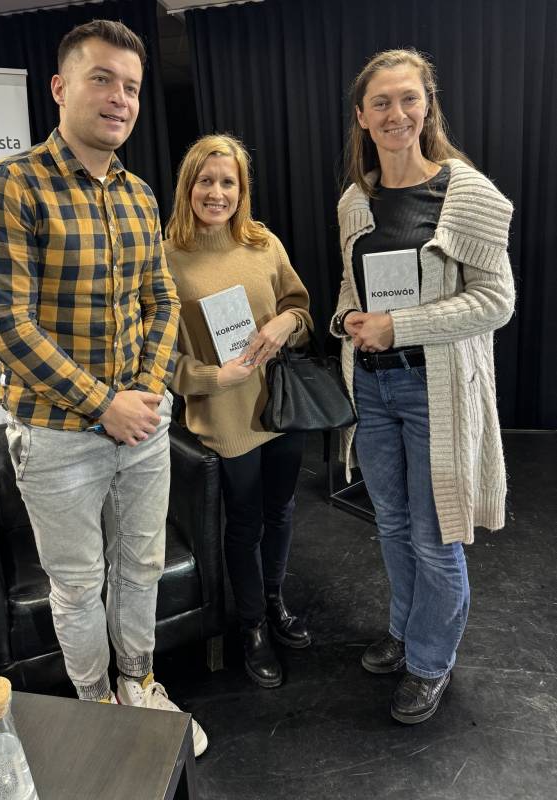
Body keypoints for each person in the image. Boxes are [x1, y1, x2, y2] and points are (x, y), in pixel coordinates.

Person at [0, 20, 208, 756]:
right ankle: (97, 702)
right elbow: (6, 326)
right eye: (102, 79)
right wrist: (105, 404)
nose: (120, 98)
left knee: (140, 568)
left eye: (131, 86)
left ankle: (139, 682)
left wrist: (146, 392)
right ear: (61, 88)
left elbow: (161, 300)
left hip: (144, 425)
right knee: (75, 586)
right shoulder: (9, 185)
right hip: (57, 437)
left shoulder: (138, 195)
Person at [331, 48, 515, 723]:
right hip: (372, 389)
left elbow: (495, 301)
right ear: (362, 116)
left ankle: (431, 661)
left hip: (433, 389)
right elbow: (350, 286)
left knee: (435, 535)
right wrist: (346, 320)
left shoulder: (466, 193)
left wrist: (398, 326)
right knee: (391, 524)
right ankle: (406, 631)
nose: (396, 113)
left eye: (408, 98)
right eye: (380, 102)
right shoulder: (355, 199)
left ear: (427, 105)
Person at [165, 134, 314, 688]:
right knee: (245, 523)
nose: (217, 192)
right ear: (189, 186)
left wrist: (285, 323)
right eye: (206, 180)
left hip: (281, 409)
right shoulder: (167, 259)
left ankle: (274, 601)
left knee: (281, 512)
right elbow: (159, 358)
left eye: (228, 182)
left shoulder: (263, 243)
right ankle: (250, 626)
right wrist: (212, 378)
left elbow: (301, 310)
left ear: (241, 189)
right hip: (225, 420)